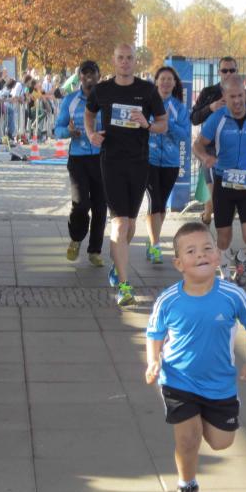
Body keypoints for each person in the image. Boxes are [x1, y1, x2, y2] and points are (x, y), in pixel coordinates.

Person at [145, 221, 246, 492]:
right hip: (178, 379)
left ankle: (205, 420)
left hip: (220, 384)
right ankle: (187, 486)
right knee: (188, 437)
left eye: (207, 248)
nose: (201, 254)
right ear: (179, 264)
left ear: (217, 256)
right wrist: (153, 360)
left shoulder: (232, 295)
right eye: (191, 251)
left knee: (222, 442)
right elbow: (154, 332)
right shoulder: (169, 300)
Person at [85, 43, 167, 307]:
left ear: (135, 61)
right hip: (111, 162)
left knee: (130, 226)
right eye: (120, 58)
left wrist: (148, 125)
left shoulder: (147, 90)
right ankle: (124, 285)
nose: (125, 62)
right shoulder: (102, 90)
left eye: (129, 58)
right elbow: (89, 113)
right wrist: (91, 134)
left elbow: (163, 123)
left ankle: (116, 265)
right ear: (114, 60)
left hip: (139, 163)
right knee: (120, 224)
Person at [192, 76, 246, 287]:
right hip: (223, 182)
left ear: (245, 94)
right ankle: (225, 273)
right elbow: (197, 145)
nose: (237, 101)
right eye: (232, 96)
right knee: (223, 237)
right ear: (224, 97)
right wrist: (205, 157)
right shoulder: (217, 119)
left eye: (240, 95)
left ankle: (241, 258)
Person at [191, 57, 246, 226]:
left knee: (229, 198)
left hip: (234, 152)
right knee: (217, 195)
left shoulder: (244, 95)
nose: (228, 74)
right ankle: (209, 218)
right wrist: (211, 108)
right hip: (211, 150)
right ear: (219, 72)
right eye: (224, 70)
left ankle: (215, 222)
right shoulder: (208, 92)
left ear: (237, 71)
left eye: (232, 70)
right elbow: (194, 118)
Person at [54, 60, 106, 267]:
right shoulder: (70, 100)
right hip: (78, 159)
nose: (88, 77)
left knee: (100, 207)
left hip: (102, 159)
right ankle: (76, 238)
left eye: (92, 73)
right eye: (84, 73)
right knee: (81, 203)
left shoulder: (106, 100)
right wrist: (69, 132)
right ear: (79, 77)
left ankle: (95, 250)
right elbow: (57, 129)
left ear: (99, 75)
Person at [145, 66, 190, 264]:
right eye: (162, 78)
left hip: (171, 162)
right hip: (149, 160)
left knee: (161, 205)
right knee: (154, 202)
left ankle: (151, 239)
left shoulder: (179, 108)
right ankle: (156, 245)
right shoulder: (147, 104)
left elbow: (184, 135)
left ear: (174, 83)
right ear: (156, 82)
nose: (165, 82)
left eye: (169, 79)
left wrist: (167, 123)